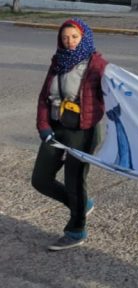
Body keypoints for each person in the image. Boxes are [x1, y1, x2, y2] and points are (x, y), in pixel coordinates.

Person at [33, 18, 107, 250]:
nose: (70, 41)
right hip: (55, 129)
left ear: (83, 37)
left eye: (74, 37)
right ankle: (82, 205)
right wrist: (43, 126)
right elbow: (45, 97)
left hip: (82, 130)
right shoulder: (58, 61)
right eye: (65, 37)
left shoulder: (97, 65)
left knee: (74, 181)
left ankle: (76, 231)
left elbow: (115, 93)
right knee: (41, 180)